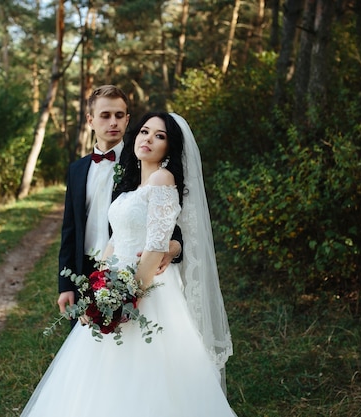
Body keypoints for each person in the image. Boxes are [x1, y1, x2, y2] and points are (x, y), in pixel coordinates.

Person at [21, 112, 235, 416]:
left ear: (169, 147)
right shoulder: (133, 185)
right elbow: (114, 241)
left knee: (149, 372)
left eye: (159, 136)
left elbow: (154, 249)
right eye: (145, 132)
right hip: (112, 285)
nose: (148, 139)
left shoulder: (163, 179)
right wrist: (93, 291)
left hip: (146, 292)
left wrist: (125, 298)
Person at [57, 85, 182, 321]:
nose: (113, 122)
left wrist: (174, 246)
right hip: (86, 269)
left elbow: (168, 219)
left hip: (133, 268)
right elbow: (69, 229)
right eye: (105, 116)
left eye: (119, 115)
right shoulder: (77, 170)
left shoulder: (143, 163)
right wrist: (66, 284)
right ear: (90, 120)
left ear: (127, 120)